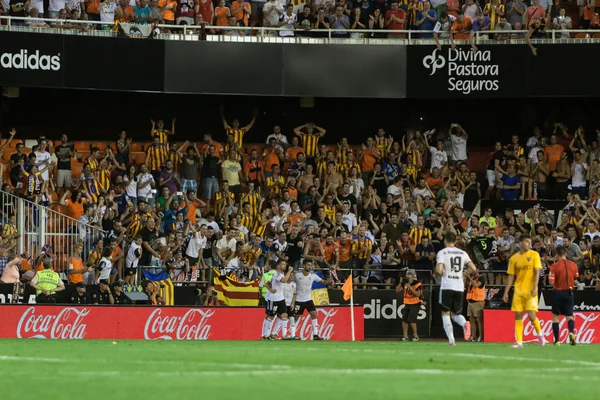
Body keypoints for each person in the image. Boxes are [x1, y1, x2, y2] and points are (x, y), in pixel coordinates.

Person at [502, 234, 546, 348]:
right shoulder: (514, 258)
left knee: (532, 316)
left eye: (530, 242)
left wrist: (535, 287)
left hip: (530, 290)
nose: (529, 244)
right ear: (520, 243)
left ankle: (540, 335)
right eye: (527, 242)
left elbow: (537, 272)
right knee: (518, 315)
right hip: (518, 290)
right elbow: (511, 276)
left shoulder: (534, 254)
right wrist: (506, 292)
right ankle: (519, 342)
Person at [435, 231, 476, 346]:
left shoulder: (442, 252)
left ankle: (451, 340)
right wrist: (464, 275)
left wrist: (439, 273)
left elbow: (439, 270)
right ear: (455, 241)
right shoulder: (462, 253)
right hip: (459, 287)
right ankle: (464, 324)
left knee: (445, 313)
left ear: (446, 240)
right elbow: (473, 268)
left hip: (447, 285)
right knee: (456, 314)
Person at [293, 260, 333, 340]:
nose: (310, 267)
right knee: (296, 317)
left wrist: (329, 281)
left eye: (310, 265)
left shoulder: (313, 276)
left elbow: (323, 282)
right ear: (304, 266)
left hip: (308, 299)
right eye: (308, 265)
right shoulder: (297, 275)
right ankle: (292, 334)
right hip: (298, 300)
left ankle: (315, 335)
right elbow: (289, 280)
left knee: (314, 315)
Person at [548, 246, 579, 346]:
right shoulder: (574, 265)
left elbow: (551, 281)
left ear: (557, 254)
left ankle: (557, 340)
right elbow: (576, 279)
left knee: (555, 317)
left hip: (558, 292)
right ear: (565, 253)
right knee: (569, 316)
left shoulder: (554, 266)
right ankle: (571, 333)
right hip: (569, 293)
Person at [263, 261, 294, 340]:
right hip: (273, 299)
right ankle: (266, 335)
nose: (285, 265)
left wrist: (270, 288)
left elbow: (268, 283)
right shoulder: (277, 274)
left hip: (281, 298)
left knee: (284, 315)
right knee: (271, 316)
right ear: (278, 266)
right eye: (283, 264)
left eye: (285, 264)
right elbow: (283, 280)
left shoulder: (281, 274)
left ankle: (284, 335)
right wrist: (271, 290)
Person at [397, 270, 422, 342]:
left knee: (412, 320)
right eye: (407, 277)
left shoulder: (417, 283)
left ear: (412, 277)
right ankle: (405, 337)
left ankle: (416, 336)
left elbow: (418, 294)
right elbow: (397, 291)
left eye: (409, 277)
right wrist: (401, 283)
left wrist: (410, 287)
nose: (408, 278)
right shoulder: (404, 283)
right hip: (407, 302)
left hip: (415, 302)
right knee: (404, 320)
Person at [466, 266, 486, 342]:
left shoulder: (481, 278)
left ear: (477, 269)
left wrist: (468, 276)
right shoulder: (472, 277)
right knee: (472, 320)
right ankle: (473, 336)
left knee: (479, 320)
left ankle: (481, 336)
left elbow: (476, 285)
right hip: (470, 301)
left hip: (478, 301)